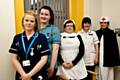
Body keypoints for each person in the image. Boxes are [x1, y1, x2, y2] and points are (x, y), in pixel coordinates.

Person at [9, 11, 50, 80]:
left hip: (38, 74)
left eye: (32, 21)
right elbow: (13, 58)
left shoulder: (42, 37)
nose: (29, 23)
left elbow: (44, 59)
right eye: (26, 20)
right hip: (21, 74)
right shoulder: (17, 38)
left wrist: (29, 75)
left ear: (35, 24)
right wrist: (24, 75)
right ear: (23, 22)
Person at [38, 6, 61, 79]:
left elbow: (55, 49)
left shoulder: (54, 29)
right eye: (42, 14)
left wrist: (52, 67)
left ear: (50, 17)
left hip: (49, 65)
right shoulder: (35, 30)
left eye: (46, 14)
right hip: (36, 65)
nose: (43, 16)